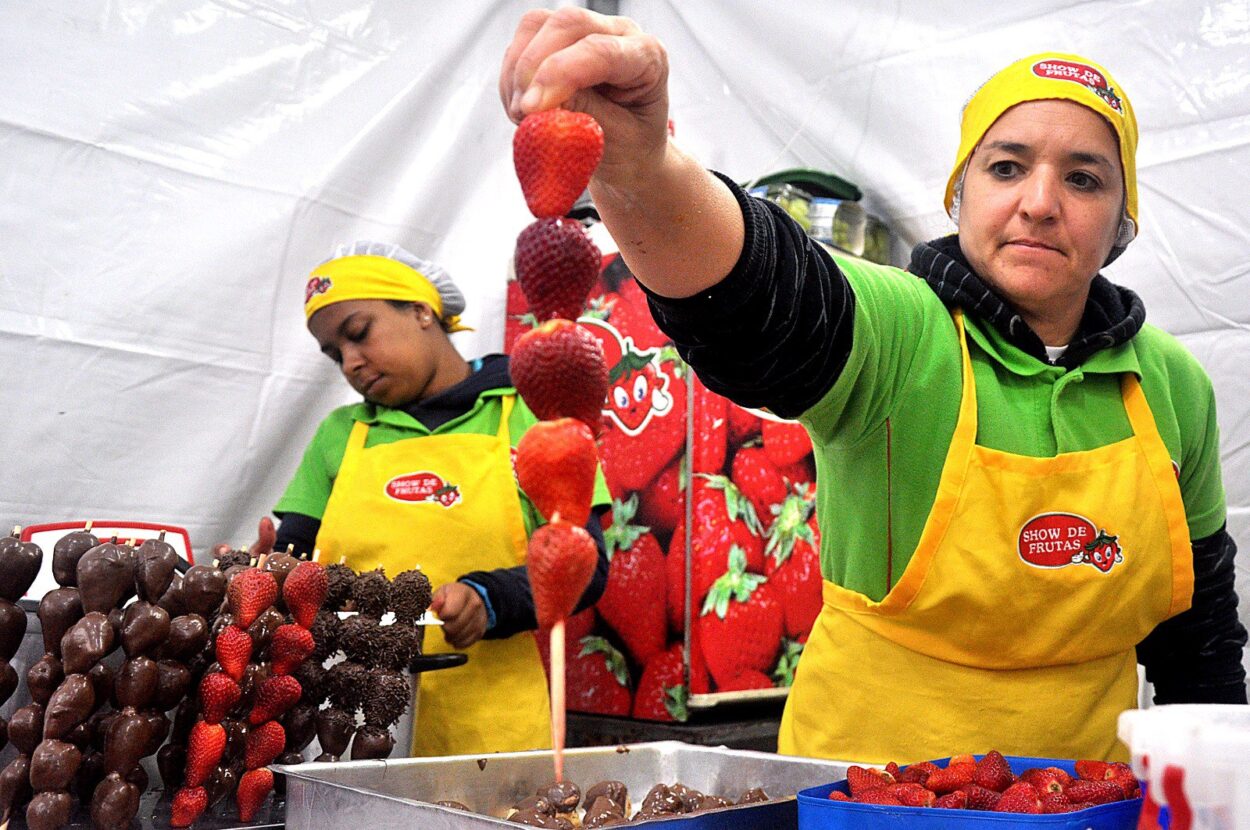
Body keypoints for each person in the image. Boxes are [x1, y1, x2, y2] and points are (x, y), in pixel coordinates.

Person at [499, 9, 1247, 763]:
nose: (1041, 202)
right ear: (961, 195)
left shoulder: (1170, 382)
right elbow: (761, 294)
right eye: (1007, 167)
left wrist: (1217, 785)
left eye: (1084, 179)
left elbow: (1202, 633)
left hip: (1089, 801)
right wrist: (643, 169)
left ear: (1123, 221)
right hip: (869, 792)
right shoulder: (903, 331)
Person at [273, 240, 611, 756]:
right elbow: (293, 555)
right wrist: (268, 568)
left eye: (359, 333)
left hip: (490, 729)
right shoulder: (341, 433)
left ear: (421, 310)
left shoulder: (529, 414)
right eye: (334, 353)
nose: (351, 362)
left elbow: (586, 564)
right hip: (345, 724)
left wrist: (490, 599)